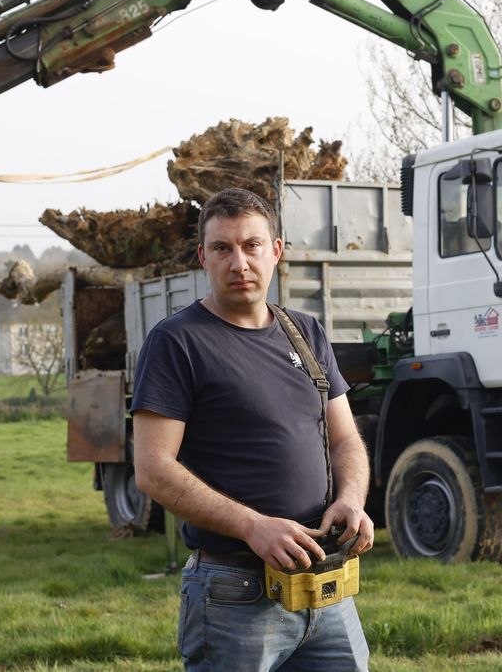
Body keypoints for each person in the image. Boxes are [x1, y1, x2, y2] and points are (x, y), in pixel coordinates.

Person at [131, 187, 374, 671]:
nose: (239, 262)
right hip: (233, 593)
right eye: (223, 248)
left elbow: (346, 438)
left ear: (276, 251)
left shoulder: (305, 332)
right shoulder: (177, 341)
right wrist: (253, 527)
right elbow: (153, 470)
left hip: (325, 584)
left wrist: (351, 498)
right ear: (204, 257)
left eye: (252, 245)